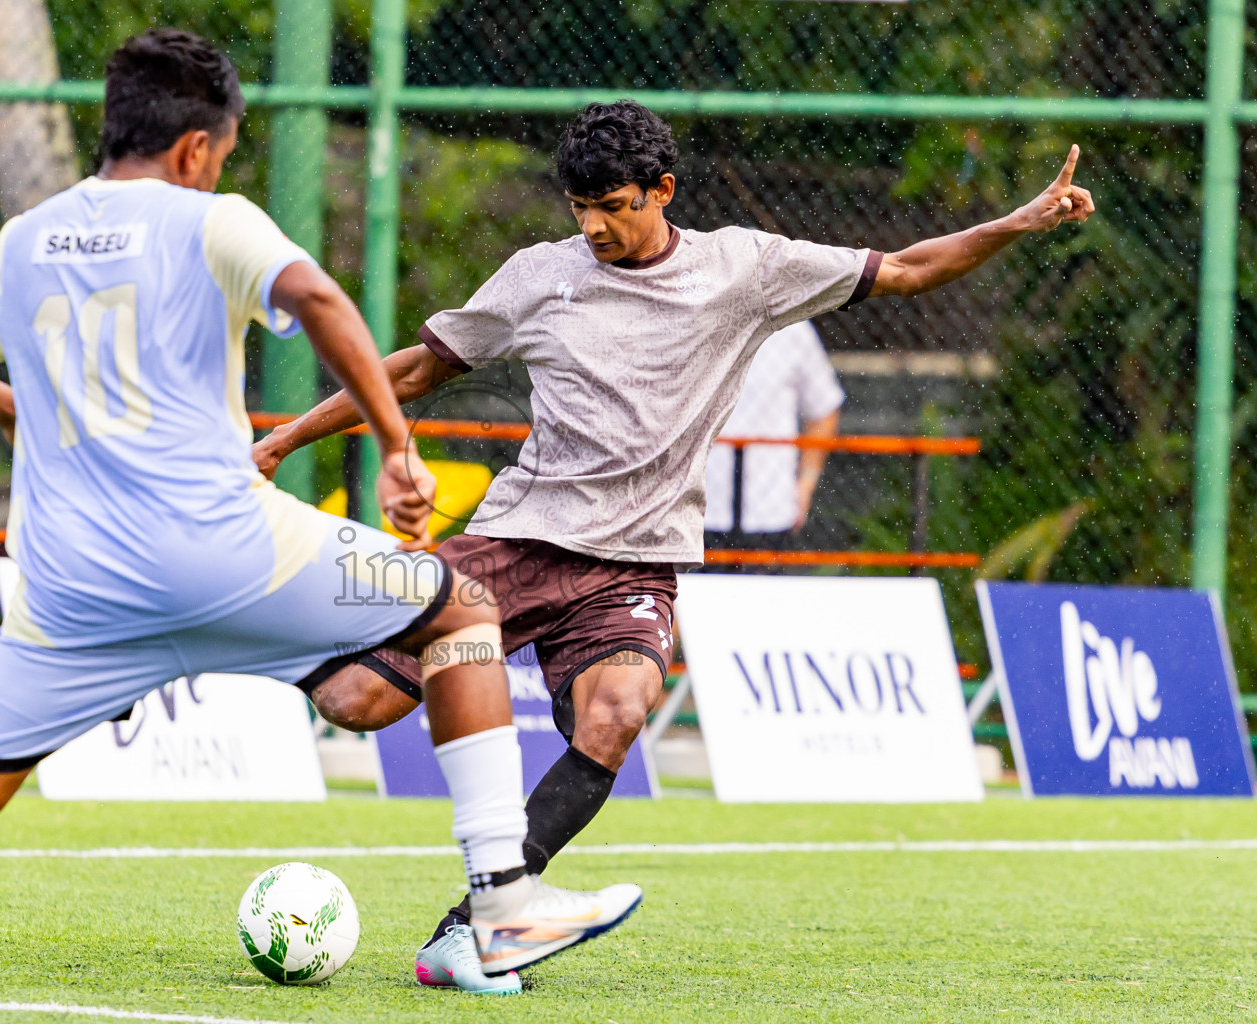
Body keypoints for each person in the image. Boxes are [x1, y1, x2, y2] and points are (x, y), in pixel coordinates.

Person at [0, 31, 640, 1024]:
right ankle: (499, 905)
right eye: (225, 154)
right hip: (226, 552)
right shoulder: (213, 220)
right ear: (198, 147)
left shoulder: (26, 239)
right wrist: (392, 444)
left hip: (72, 591)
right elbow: (318, 298)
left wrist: (27, 407)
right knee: (460, 607)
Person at [253, 100, 1095, 993]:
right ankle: (227, 621)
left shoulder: (746, 269)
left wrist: (1018, 221)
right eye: (580, 206)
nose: (594, 226)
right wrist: (282, 440)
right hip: (520, 543)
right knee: (355, 703)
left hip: (637, 564)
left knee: (616, 715)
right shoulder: (540, 276)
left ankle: (474, 929)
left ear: (661, 190)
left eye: (612, 205)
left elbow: (911, 269)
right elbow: (419, 367)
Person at [702, 318, 844, 553]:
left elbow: (824, 409)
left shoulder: (793, 328)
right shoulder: (693, 320)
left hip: (769, 512)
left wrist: (805, 485)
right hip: (694, 513)